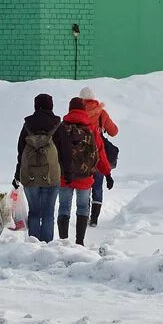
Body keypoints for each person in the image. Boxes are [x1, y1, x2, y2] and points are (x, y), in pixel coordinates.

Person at [55, 96, 112, 246]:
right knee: (82, 207)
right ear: (83, 110)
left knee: (64, 206)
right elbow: (100, 152)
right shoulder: (91, 129)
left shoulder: (61, 127)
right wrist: (107, 173)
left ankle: (63, 241)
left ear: (69, 109)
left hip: (64, 176)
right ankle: (79, 242)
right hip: (85, 177)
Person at [12, 93, 64, 243]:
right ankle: (47, 244)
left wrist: (17, 173)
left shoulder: (27, 125)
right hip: (51, 175)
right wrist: (65, 171)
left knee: (34, 211)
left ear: (36, 106)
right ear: (51, 106)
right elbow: (64, 150)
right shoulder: (57, 124)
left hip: (30, 175)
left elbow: (21, 151)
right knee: (48, 212)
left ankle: (33, 243)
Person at [79, 85, 118, 228]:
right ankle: (94, 219)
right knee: (98, 186)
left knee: (84, 186)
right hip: (99, 155)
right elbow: (114, 131)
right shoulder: (102, 113)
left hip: (82, 156)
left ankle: (84, 215)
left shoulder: (79, 112)